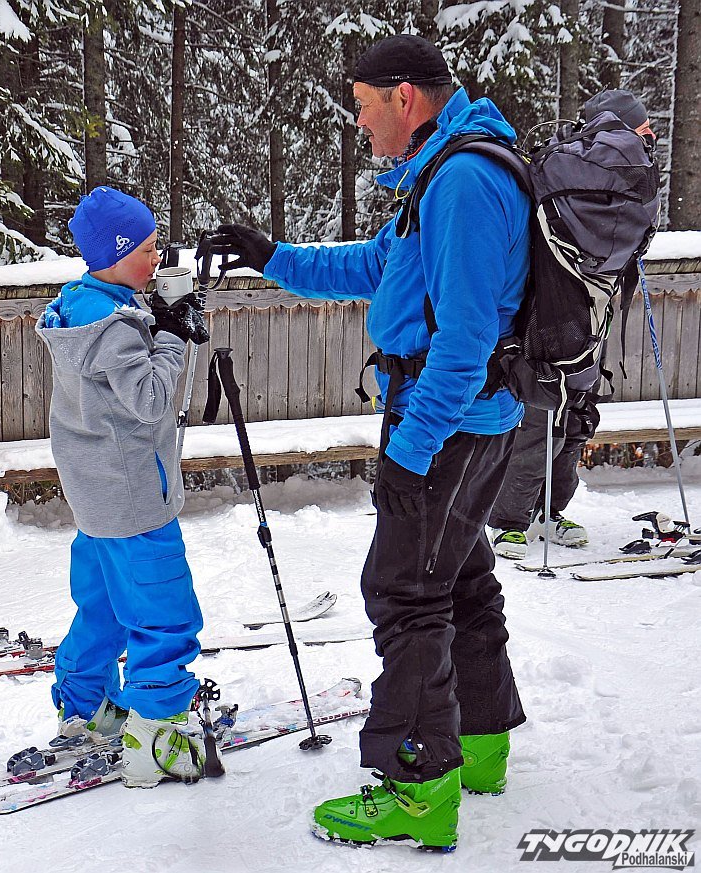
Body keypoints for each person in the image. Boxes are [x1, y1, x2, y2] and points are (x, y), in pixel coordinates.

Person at [209, 34, 527, 850]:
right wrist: (270, 255)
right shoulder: (440, 172)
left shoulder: (461, 182)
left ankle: (419, 788)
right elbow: (374, 267)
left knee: (404, 591)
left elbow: (464, 339)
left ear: (403, 98)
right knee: (458, 579)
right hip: (466, 422)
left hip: (447, 427)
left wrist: (410, 450)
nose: (358, 123)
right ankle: (480, 746)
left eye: (361, 106)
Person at [36, 186, 210, 788]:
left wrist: (155, 319)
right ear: (115, 253)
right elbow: (152, 398)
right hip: (134, 499)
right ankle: (157, 734)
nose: (158, 258)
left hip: (97, 496)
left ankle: (87, 709)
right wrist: (174, 334)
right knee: (164, 615)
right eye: (147, 248)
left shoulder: (80, 307)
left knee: (104, 609)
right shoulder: (113, 328)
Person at [487, 88, 657, 561]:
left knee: (545, 411)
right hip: (591, 314)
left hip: (550, 312)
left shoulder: (564, 168)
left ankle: (518, 518)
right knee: (573, 412)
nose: (648, 138)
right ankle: (533, 515)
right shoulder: (631, 176)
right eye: (643, 128)